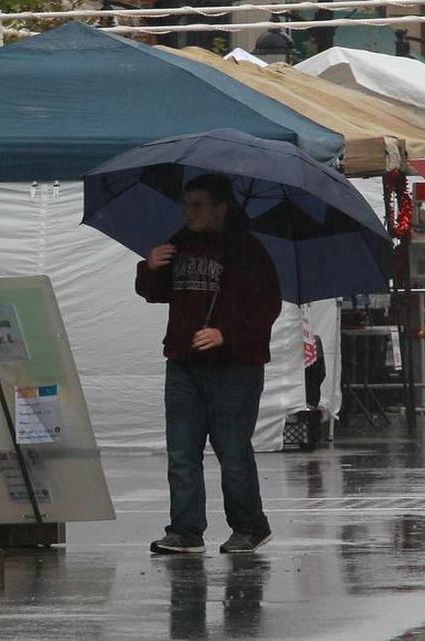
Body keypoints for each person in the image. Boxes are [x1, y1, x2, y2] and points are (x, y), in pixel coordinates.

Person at [136, 173, 283, 554]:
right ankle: (185, 530)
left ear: (221, 208)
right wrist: (150, 266)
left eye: (198, 205)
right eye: (186, 204)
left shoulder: (248, 251)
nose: (189, 212)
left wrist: (226, 334)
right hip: (184, 363)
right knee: (182, 451)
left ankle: (250, 526)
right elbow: (155, 294)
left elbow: (267, 308)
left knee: (232, 450)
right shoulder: (179, 243)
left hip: (235, 368)